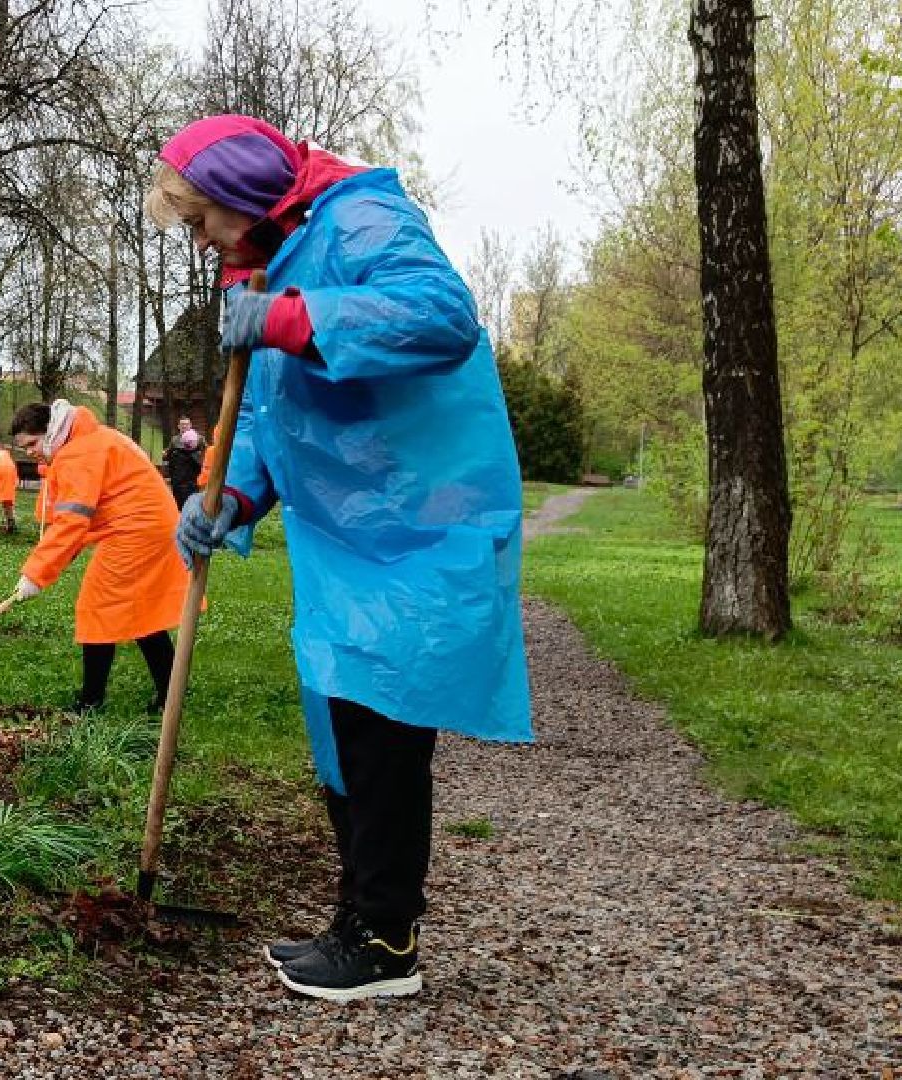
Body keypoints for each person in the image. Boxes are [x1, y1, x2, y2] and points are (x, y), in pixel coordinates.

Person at [153, 114, 531, 1003]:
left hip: (417, 522)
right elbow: (263, 413)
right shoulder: (270, 261)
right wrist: (231, 495)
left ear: (245, 200)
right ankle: (357, 918)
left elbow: (441, 318)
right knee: (342, 730)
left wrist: (293, 317)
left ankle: (388, 942)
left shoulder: (362, 223)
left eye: (203, 220)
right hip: (350, 541)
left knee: (382, 732)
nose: (202, 241)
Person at [7, 399, 188, 713]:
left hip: (137, 531)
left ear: (49, 432)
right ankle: (170, 695)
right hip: (149, 526)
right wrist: (53, 560)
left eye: (33, 443)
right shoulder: (83, 440)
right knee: (141, 611)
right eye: (24, 449)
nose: (31, 452)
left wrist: (36, 574)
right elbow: (76, 519)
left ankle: (90, 701)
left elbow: (72, 521)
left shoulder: (79, 452)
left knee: (97, 607)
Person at [161, 426, 204, 510]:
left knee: (179, 509)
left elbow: (170, 469)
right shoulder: (197, 458)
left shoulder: (174, 454)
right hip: (192, 490)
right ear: (195, 443)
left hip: (177, 488)